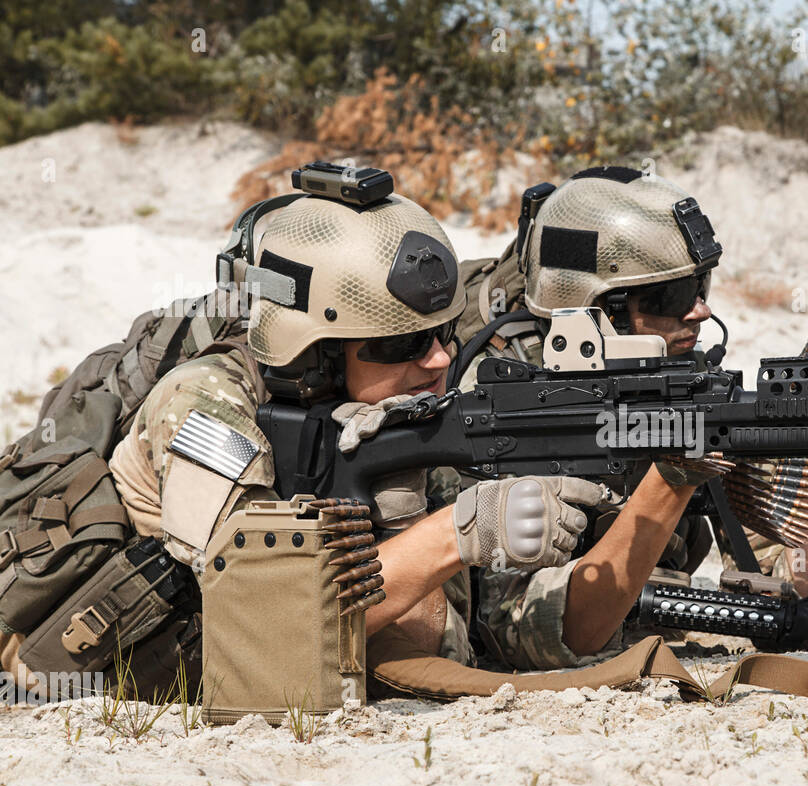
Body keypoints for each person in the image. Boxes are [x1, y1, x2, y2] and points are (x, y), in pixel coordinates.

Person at [104, 175, 722, 688]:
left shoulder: (418, 419)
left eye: (442, 333)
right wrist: (455, 535)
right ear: (314, 353)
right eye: (399, 342)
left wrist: (670, 482)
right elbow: (267, 625)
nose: (435, 361)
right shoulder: (207, 406)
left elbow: (554, 635)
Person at [447, 167, 808, 668]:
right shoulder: (504, 401)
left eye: (701, 286)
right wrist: (672, 480)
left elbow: (805, 608)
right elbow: (517, 631)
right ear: (602, 310)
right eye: (673, 297)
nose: (700, 312)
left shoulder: (678, 380)